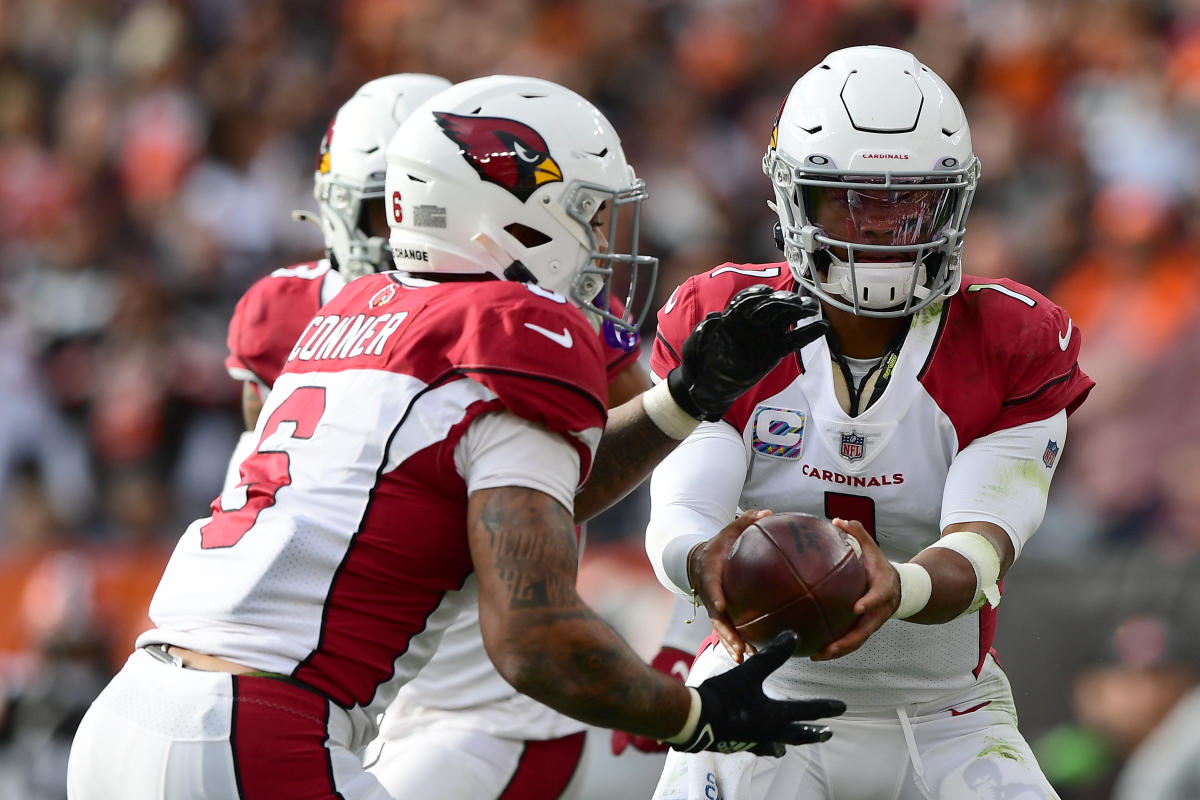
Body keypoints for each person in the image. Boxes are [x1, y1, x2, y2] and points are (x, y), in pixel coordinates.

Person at [65, 75, 841, 800]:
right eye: (586, 212)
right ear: (507, 212)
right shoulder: (517, 333)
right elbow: (534, 641)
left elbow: (528, 485)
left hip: (132, 711)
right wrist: (695, 716)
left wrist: (681, 403)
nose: (602, 241)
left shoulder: (352, 309)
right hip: (258, 731)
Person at [641, 46, 1095, 800]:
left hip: (947, 711)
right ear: (795, 197)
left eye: (909, 199)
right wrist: (706, 565)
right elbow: (682, 516)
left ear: (953, 201)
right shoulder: (729, 321)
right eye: (851, 198)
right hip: (758, 694)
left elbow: (981, 551)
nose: (882, 226)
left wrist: (899, 585)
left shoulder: (1012, 336)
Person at [224, 71, 657, 799]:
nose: (397, 235)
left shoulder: (530, 315)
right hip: (337, 683)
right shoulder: (282, 309)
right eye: (375, 213)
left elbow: (620, 447)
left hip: (476, 698)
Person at [221, 72, 453, 494]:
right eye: (390, 208)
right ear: (342, 207)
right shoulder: (278, 310)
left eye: (433, 210)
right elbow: (259, 486)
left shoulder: (512, 312)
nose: (411, 232)